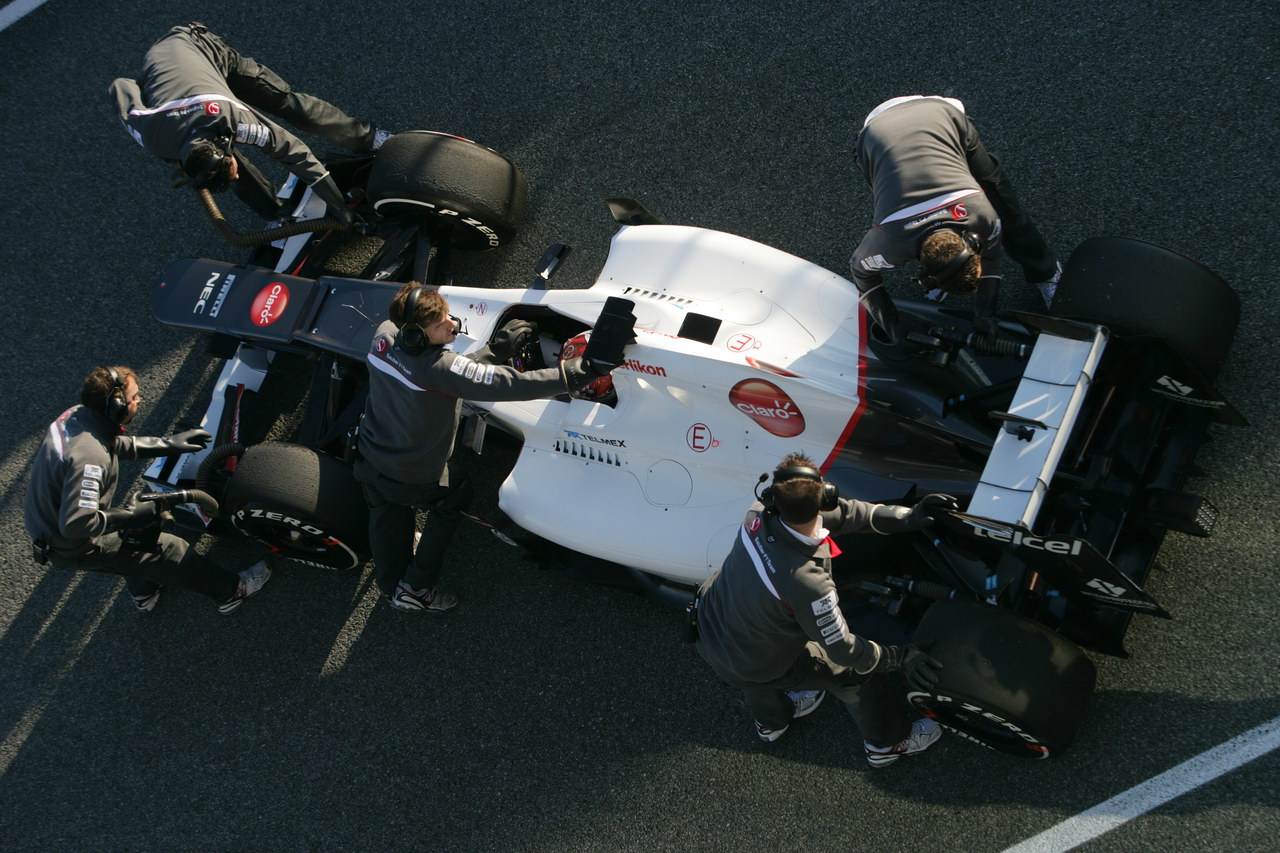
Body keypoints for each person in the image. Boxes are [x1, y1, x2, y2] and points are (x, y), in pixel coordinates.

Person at [355, 282, 636, 612]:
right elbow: (511, 384)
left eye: (446, 314)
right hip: (410, 474)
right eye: (439, 325)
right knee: (454, 497)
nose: (452, 324)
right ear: (417, 335)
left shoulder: (385, 333)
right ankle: (416, 588)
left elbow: (450, 376)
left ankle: (390, 587)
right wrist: (580, 372)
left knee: (385, 512)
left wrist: (493, 351)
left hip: (369, 455)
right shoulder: (438, 369)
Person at [693, 453, 956, 768]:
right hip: (753, 659)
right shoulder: (808, 583)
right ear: (826, 497)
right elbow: (846, 652)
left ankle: (771, 723)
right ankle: (887, 743)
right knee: (856, 676)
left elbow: (847, 515)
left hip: (709, 625)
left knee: (752, 672)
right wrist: (900, 657)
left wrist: (909, 517)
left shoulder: (758, 513)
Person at [24, 366, 271, 614]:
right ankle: (232, 591)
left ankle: (144, 592)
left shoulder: (77, 416)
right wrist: (131, 515)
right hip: (73, 540)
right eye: (134, 397)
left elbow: (108, 444)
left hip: (48, 520)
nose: (139, 399)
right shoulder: (90, 460)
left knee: (136, 545)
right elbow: (76, 524)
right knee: (168, 549)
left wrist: (167, 445)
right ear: (117, 407)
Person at [109, 22, 392, 222]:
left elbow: (295, 153)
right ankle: (278, 214)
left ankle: (370, 138)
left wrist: (339, 206)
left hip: (196, 47)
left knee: (284, 102)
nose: (235, 175)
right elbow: (121, 85)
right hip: (168, 75)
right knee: (234, 169)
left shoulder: (234, 118)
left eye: (231, 171)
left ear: (223, 145)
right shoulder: (151, 135)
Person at [850, 95, 1061, 340]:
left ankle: (1047, 273)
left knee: (1004, 206)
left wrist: (986, 315)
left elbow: (992, 259)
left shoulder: (981, 213)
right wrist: (895, 330)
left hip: (932, 116)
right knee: (885, 181)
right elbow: (859, 272)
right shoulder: (890, 241)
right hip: (882, 126)